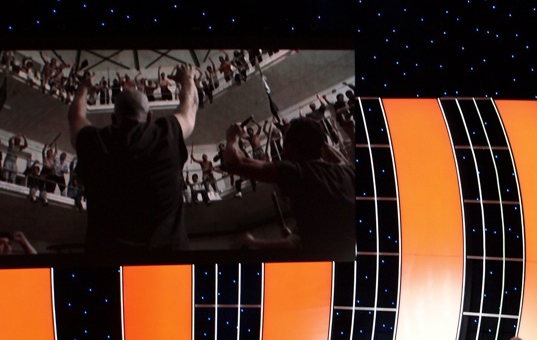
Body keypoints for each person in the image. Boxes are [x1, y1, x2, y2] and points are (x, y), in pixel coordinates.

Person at [69, 64, 198, 257]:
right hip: (168, 262)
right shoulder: (166, 134)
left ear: (113, 119)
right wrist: (187, 79)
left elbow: (75, 117)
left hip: (106, 261)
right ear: (150, 117)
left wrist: (84, 88)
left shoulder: (94, 142)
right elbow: (191, 106)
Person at [221, 116, 356, 261]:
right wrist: (318, 136)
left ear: (289, 148)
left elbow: (235, 163)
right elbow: (340, 160)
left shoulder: (297, 172)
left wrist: (232, 137)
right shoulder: (348, 172)